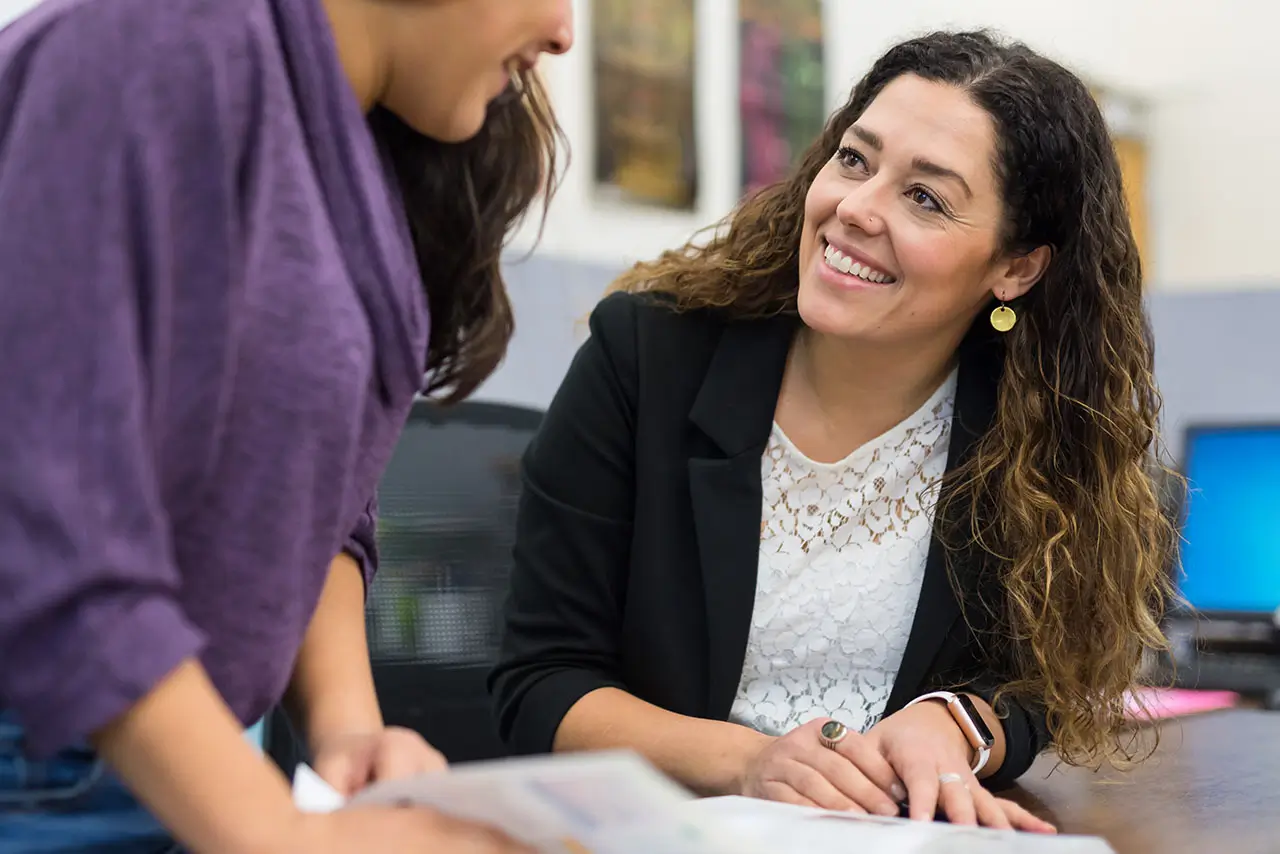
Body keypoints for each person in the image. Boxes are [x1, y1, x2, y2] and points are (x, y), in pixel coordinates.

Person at [490, 29, 1178, 832]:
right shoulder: (646, 357)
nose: (855, 208)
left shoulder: (1026, 432)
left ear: (1015, 268)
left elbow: (1038, 684)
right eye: (855, 160)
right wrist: (747, 761)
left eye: (925, 196)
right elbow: (541, 683)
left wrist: (957, 723)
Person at [0, 0, 570, 851]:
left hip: (168, 756)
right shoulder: (151, 42)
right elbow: (44, 516)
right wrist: (281, 835)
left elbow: (322, 501)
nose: (564, 31)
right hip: (44, 757)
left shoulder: (346, 133)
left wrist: (349, 738)